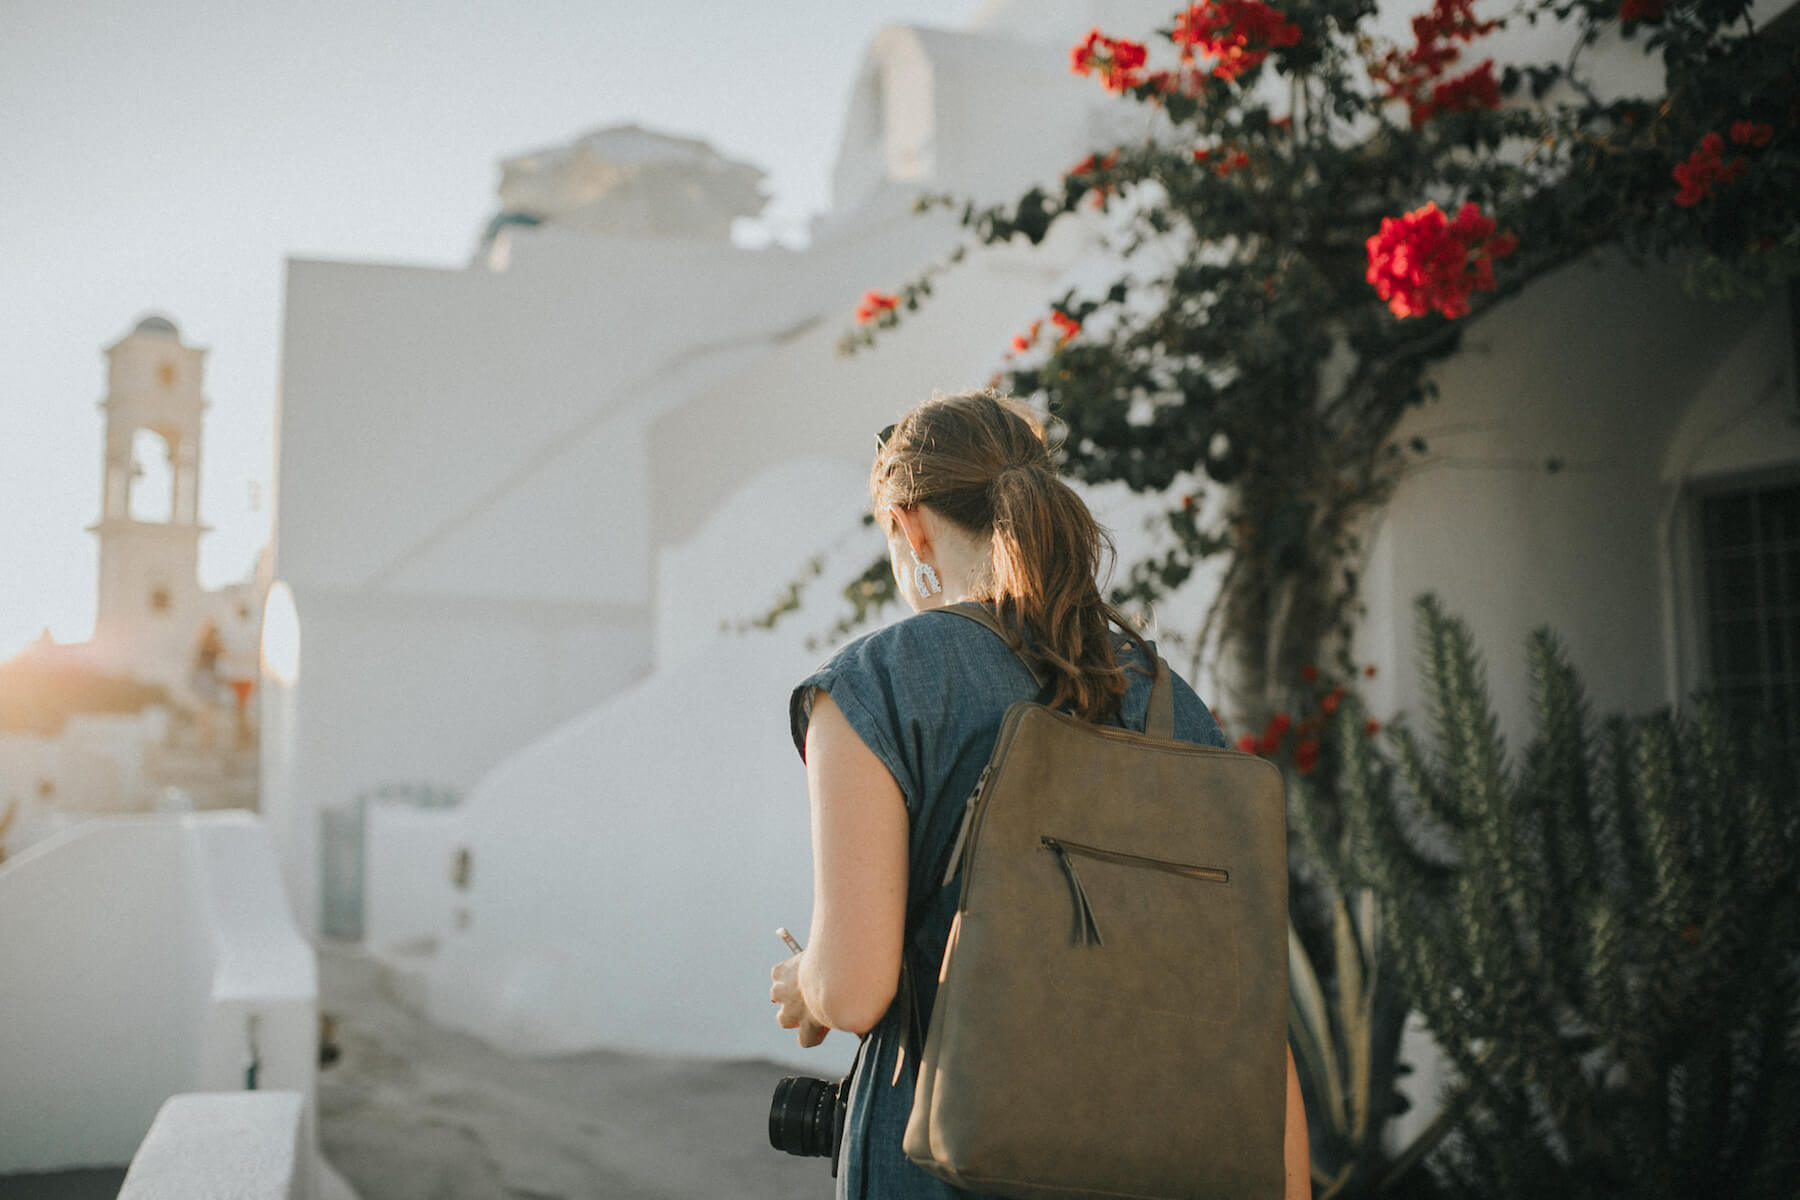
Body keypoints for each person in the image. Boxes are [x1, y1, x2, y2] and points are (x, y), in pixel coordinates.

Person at [770, 390, 1311, 1199]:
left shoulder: (875, 683)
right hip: (1153, 1165)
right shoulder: (1165, 697)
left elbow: (854, 990)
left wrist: (808, 978)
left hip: (945, 1165)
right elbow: (1248, 1000)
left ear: (911, 525)